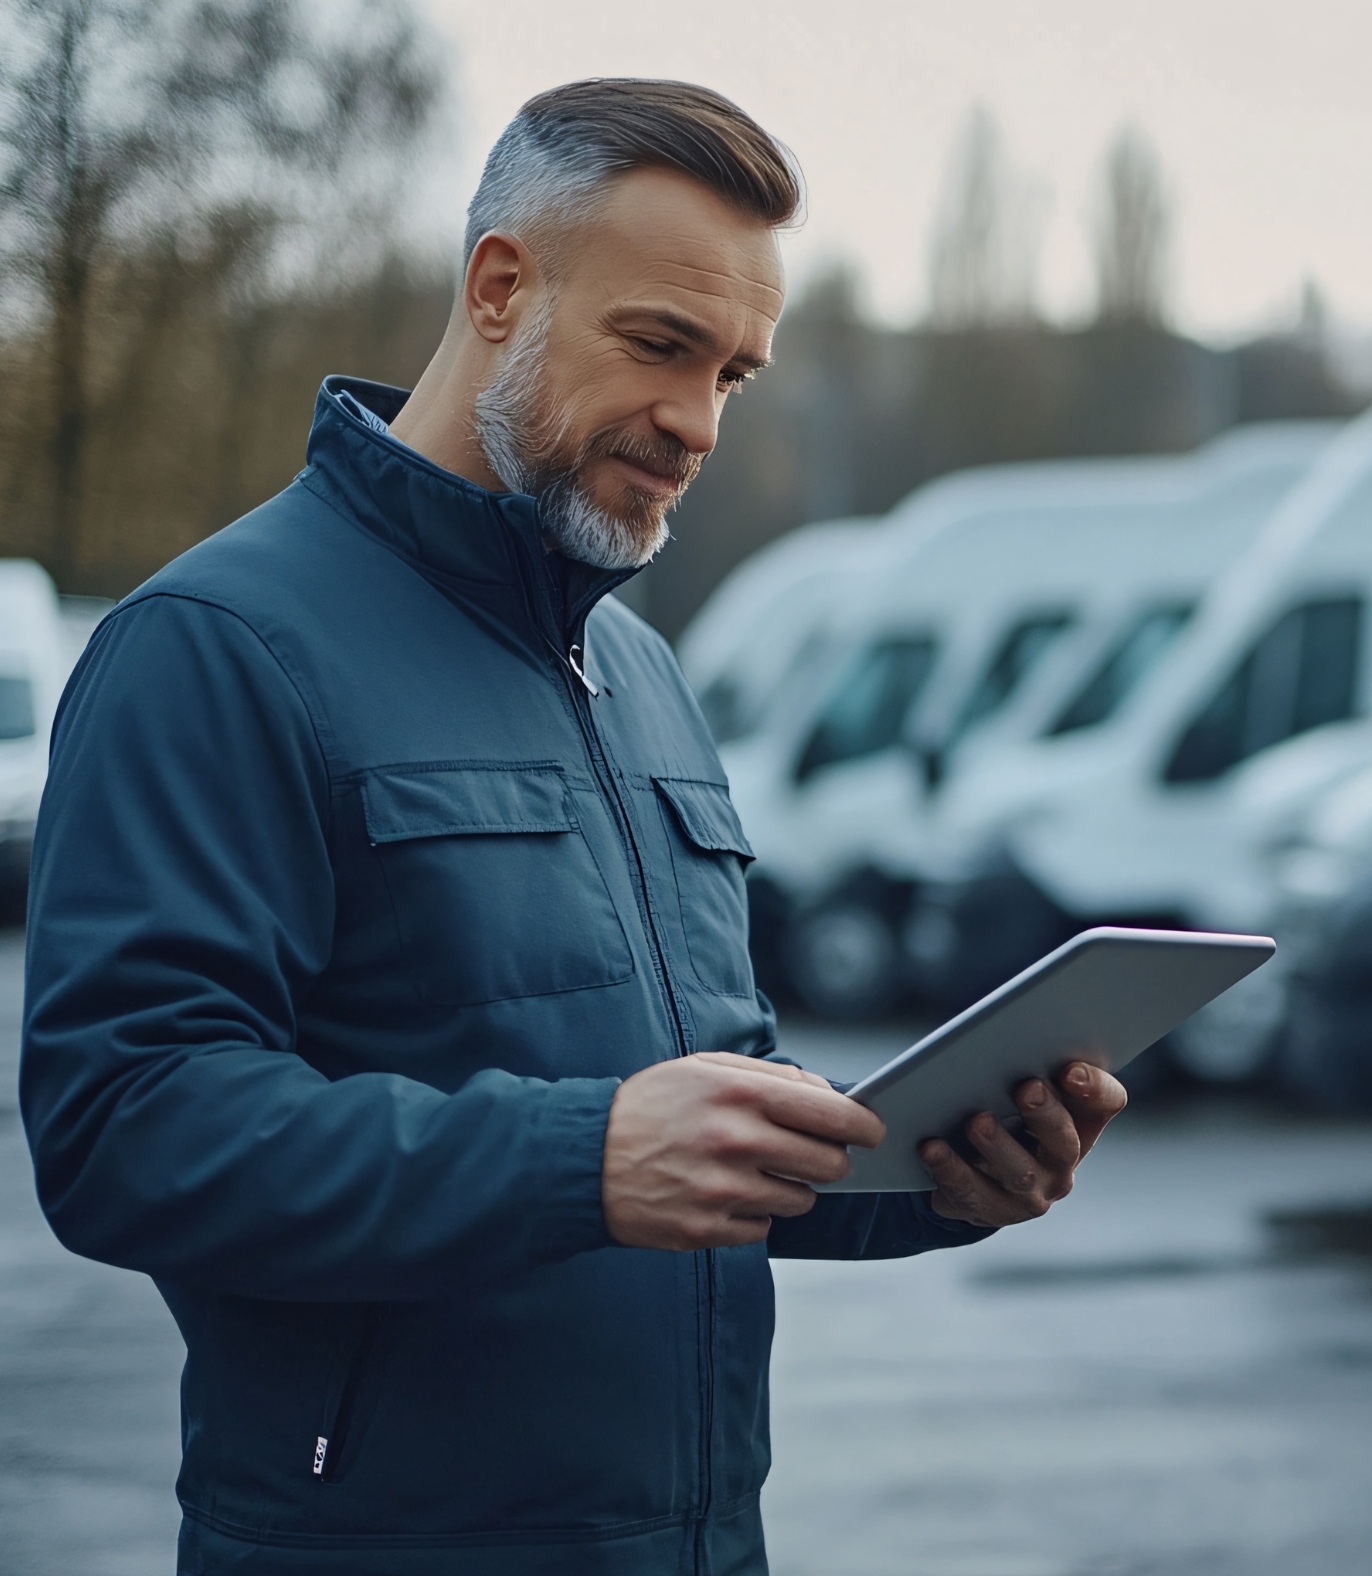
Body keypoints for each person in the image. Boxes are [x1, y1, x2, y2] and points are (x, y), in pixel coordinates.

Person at [18, 79, 1127, 1575]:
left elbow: (708, 1118)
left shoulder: (644, 673)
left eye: (734, 373)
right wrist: (581, 1158)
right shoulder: (216, 646)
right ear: (500, 287)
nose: (697, 420)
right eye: (662, 346)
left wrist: (938, 1176)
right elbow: (123, 1129)